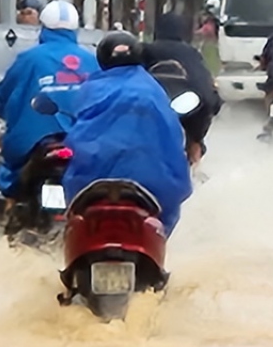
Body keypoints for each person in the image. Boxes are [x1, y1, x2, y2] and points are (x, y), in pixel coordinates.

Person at [62, 32, 193, 233]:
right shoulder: (154, 89)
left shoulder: (91, 88)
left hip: (91, 179)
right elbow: (173, 140)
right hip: (154, 183)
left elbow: (77, 129)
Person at [0, 0, 96, 214]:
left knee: (11, 168)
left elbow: (4, 93)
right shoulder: (92, 61)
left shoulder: (28, 59)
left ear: (43, 27)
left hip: (33, 141)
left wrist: (1, 110)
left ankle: (11, 207)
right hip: (83, 140)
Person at [142, 12, 222, 163]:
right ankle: (195, 155)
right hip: (190, 105)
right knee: (196, 135)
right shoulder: (192, 53)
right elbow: (204, 84)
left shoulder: (145, 50)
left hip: (158, 104)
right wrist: (213, 101)